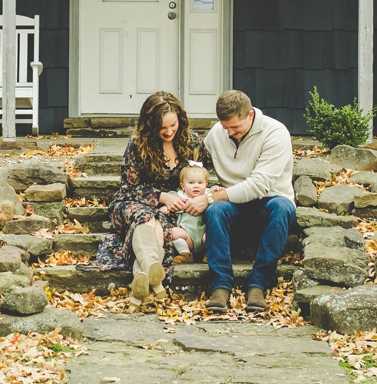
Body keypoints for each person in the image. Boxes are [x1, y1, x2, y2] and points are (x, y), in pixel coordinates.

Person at [178, 89, 296, 315]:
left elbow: (259, 185)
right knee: (216, 210)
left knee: (281, 207)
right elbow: (192, 164)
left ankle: (258, 283)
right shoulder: (217, 133)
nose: (230, 133)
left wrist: (211, 196)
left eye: (235, 128)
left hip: (269, 202)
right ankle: (221, 285)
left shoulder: (276, 133)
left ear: (250, 115)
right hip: (233, 208)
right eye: (225, 128)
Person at [82, 91, 203, 306]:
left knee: (158, 228)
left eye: (173, 125)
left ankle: (145, 277)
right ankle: (152, 273)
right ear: (150, 124)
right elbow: (128, 188)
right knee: (146, 218)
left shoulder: (192, 143)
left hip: (172, 210)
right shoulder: (138, 144)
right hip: (134, 202)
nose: (168, 132)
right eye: (162, 127)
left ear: (180, 119)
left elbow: (205, 177)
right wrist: (161, 196)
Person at [165, 163, 216, 265]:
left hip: (204, 237)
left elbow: (216, 191)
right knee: (174, 232)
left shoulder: (208, 194)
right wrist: (165, 207)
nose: (196, 186)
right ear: (183, 186)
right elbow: (169, 201)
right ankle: (186, 255)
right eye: (191, 183)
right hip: (188, 237)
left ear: (206, 184)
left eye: (200, 182)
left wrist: (218, 190)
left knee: (213, 234)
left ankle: (209, 254)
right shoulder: (179, 196)